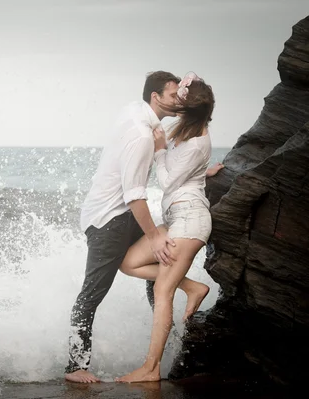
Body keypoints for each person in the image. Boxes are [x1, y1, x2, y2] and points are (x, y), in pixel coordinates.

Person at [65, 71, 182, 384]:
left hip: (123, 214)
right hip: (107, 219)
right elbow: (134, 195)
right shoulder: (141, 135)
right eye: (173, 96)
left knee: (162, 265)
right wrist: (155, 236)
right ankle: (75, 366)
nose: (178, 101)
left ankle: (164, 346)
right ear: (155, 97)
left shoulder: (137, 111)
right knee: (92, 293)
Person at [116, 72, 224, 383]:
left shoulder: (194, 141)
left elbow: (166, 180)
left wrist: (161, 148)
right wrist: (207, 169)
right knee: (128, 262)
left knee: (162, 290)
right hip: (177, 218)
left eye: (181, 99)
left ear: (190, 110)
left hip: (190, 221)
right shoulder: (192, 132)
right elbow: (189, 168)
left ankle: (150, 369)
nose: (176, 101)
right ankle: (192, 287)